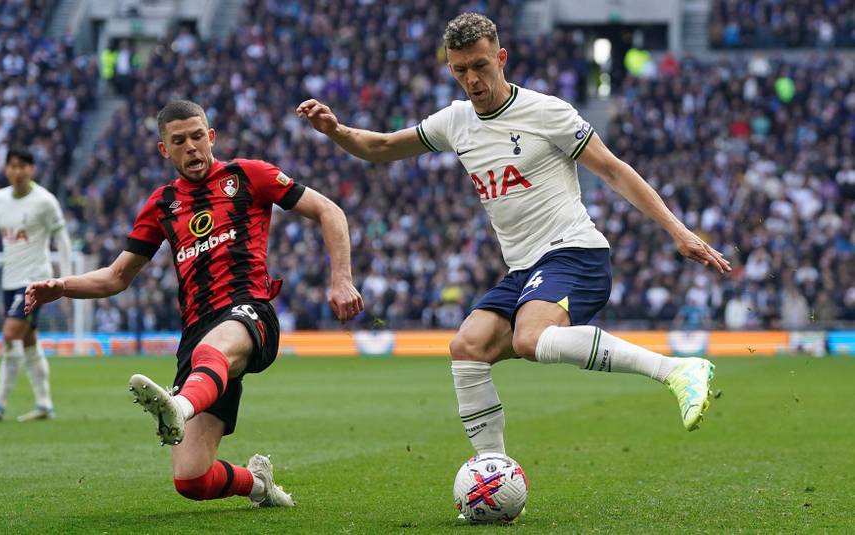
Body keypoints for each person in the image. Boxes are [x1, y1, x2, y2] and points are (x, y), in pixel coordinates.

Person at [297, 13, 731, 460]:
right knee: (467, 347)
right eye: (460, 70)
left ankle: (676, 369)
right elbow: (381, 147)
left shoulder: (547, 112)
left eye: (480, 66)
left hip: (574, 253)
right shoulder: (455, 121)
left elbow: (614, 171)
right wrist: (336, 131)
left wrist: (679, 231)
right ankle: (492, 471)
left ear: (501, 58)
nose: (472, 79)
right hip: (524, 270)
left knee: (530, 337)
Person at [26, 100, 364, 507]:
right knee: (192, 480)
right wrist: (62, 286)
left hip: (248, 311)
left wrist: (341, 278)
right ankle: (259, 485)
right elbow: (117, 276)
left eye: (197, 136)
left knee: (211, 351)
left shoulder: (248, 175)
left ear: (211, 137)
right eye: (179, 141)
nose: (191, 147)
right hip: (197, 331)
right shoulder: (162, 204)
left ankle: (179, 407)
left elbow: (329, 210)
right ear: (164, 150)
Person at [0, 147, 72, 422]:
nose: (17, 171)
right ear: (6, 169)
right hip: (9, 280)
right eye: (13, 166)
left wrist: (66, 279)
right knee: (28, 342)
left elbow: (62, 241)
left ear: (31, 169)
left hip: (35, 281)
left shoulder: (45, 201)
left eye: (23, 166)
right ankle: (44, 404)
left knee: (10, 334)